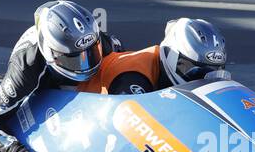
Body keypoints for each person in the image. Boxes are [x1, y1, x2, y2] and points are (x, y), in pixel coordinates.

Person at [0, 0, 109, 152]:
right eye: (74, 58)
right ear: (50, 52)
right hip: (44, 83)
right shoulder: (25, 70)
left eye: (91, 53)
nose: (84, 65)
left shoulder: (97, 40)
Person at [79, 17, 229, 95]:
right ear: (173, 56)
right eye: (197, 71)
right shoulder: (134, 77)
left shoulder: (163, 65)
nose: (204, 78)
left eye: (214, 70)